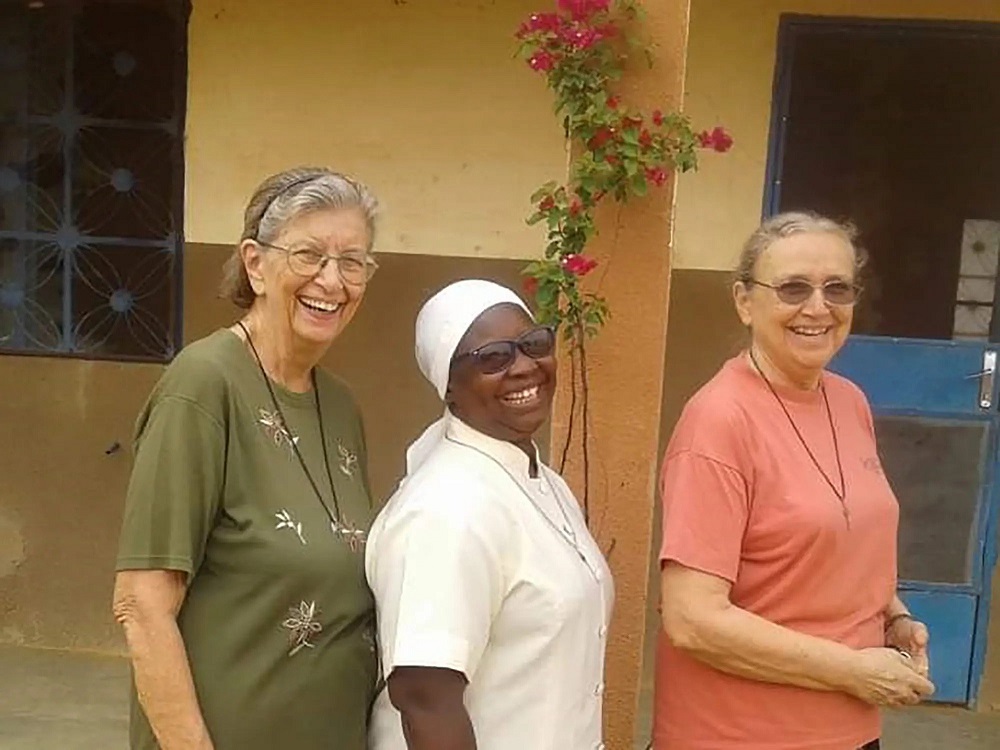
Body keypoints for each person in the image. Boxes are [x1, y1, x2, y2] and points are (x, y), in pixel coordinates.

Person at [112, 166, 381, 750]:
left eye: (353, 262)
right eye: (309, 255)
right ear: (256, 264)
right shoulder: (204, 385)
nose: (332, 282)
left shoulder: (340, 406)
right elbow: (142, 604)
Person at [655, 212, 935, 750]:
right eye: (792, 288)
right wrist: (854, 671)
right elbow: (693, 620)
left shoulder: (848, 400)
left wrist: (892, 617)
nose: (817, 307)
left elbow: (834, 542)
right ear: (744, 301)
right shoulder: (719, 420)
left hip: (848, 732)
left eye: (838, 288)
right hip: (740, 736)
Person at [365, 279, 614, 750]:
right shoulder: (446, 508)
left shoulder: (543, 484)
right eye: (493, 358)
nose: (523, 367)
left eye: (533, 345)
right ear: (450, 388)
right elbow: (426, 698)